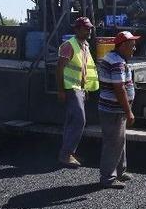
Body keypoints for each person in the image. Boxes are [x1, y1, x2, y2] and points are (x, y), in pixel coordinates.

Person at [97, 31, 140, 189]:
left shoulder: (116, 58)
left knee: (119, 141)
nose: (134, 49)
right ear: (122, 46)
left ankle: (120, 171)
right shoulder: (117, 62)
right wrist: (128, 111)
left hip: (114, 109)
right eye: (131, 45)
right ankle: (108, 178)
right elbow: (119, 88)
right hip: (113, 110)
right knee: (113, 143)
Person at [56, 17, 99, 168]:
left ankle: (66, 153)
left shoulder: (85, 45)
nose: (89, 31)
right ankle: (67, 153)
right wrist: (61, 90)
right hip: (70, 88)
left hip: (79, 88)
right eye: (86, 29)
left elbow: (84, 69)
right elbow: (59, 68)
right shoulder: (69, 45)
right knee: (80, 120)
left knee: (71, 122)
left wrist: (85, 88)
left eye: (90, 28)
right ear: (77, 29)